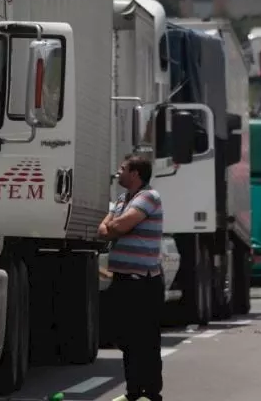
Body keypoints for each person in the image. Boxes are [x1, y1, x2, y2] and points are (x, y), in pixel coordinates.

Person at [100, 154, 165, 401]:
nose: (118, 172)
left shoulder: (148, 197)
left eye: (123, 168)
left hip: (143, 281)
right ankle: (133, 392)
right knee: (125, 337)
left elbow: (115, 228)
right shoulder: (121, 199)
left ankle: (151, 392)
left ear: (136, 173)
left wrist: (112, 225)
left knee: (145, 338)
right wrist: (112, 225)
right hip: (123, 279)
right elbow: (103, 229)